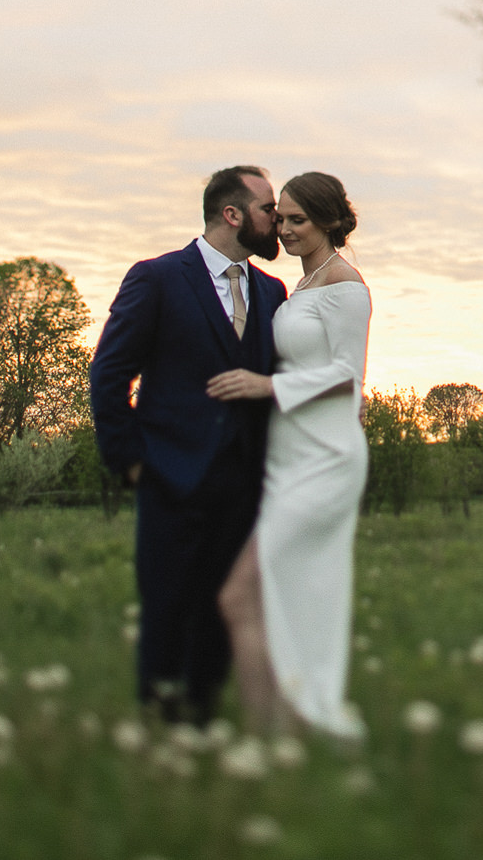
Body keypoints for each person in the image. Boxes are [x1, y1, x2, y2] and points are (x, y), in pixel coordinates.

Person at [89, 165, 286, 725]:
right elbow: (108, 374)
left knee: (224, 610)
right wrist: (128, 462)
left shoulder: (272, 292)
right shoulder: (156, 278)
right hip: (169, 476)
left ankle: (202, 718)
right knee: (167, 607)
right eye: (267, 209)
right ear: (233, 214)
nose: (275, 220)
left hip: (245, 483)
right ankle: (159, 725)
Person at [207, 171, 370, 742]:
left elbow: (350, 375)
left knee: (245, 589)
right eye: (281, 218)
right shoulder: (297, 288)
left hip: (326, 459)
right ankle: (282, 724)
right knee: (277, 590)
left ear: (328, 222)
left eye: (298, 220)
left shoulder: (346, 285)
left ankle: (286, 724)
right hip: (289, 456)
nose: (286, 229)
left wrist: (265, 387)